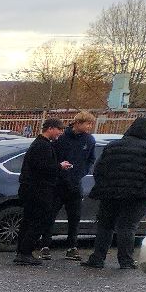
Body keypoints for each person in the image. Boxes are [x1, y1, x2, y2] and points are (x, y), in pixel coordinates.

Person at [84, 115, 146, 270]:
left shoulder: (113, 145)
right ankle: (126, 261)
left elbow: (98, 169)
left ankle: (97, 259)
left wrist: (104, 185)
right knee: (127, 227)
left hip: (110, 192)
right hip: (137, 194)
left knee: (105, 225)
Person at [12, 118, 65, 266]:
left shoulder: (39, 144)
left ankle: (21, 251)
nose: (60, 133)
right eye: (59, 129)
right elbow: (44, 168)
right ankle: (26, 251)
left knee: (28, 220)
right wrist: (59, 166)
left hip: (31, 188)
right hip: (39, 189)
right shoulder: (43, 146)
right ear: (50, 128)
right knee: (39, 220)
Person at [50, 111, 97, 260]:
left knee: (75, 217)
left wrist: (81, 172)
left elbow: (91, 160)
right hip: (58, 183)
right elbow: (52, 157)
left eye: (91, 124)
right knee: (50, 215)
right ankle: (45, 244)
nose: (89, 127)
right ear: (77, 123)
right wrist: (59, 171)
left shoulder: (89, 140)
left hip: (76, 184)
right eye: (87, 123)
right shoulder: (61, 138)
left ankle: (72, 246)